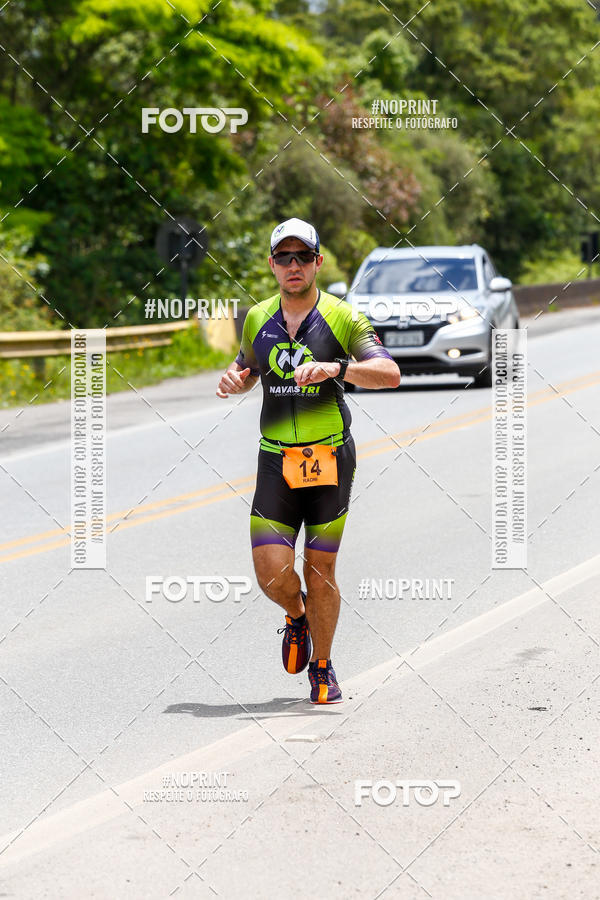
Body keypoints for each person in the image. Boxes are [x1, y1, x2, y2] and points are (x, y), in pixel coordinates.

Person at [216, 218, 400, 703]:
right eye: (283, 257)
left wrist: (339, 367)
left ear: (318, 262)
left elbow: (390, 373)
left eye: (302, 257)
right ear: (272, 264)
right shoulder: (257, 317)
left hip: (329, 459)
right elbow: (248, 366)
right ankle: (296, 618)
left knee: (320, 571)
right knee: (271, 573)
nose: (293, 266)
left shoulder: (343, 318)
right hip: (275, 461)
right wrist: (235, 378)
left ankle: (323, 666)